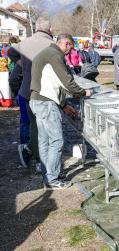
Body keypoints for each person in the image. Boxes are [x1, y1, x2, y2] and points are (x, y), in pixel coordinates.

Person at [29, 34, 91, 189]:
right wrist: (83, 92)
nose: (70, 51)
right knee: (57, 140)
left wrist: (63, 105)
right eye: (70, 47)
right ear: (66, 43)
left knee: (45, 140)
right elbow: (66, 80)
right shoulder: (55, 55)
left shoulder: (45, 53)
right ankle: (53, 178)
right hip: (46, 103)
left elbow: (51, 80)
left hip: (37, 100)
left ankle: (48, 174)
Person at [14, 17, 54, 170]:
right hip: (42, 91)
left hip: (26, 91)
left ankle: (30, 150)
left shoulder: (24, 44)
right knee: (42, 127)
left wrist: (22, 72)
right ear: (49, 29)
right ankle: (39, 160)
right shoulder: (50, 44)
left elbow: (12, 58)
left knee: (34, 126)